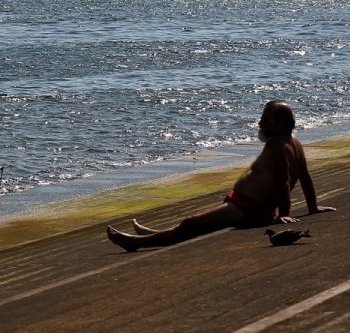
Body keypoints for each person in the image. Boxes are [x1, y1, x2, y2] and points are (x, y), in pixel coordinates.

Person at [107, 100, 336, 252]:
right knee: (194, 225)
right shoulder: (295, 143)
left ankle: (135, 243)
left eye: (265, 118)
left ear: (280, 123)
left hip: (246, 208)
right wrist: (313, 206)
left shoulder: (277, 145)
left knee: (191, 224)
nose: (260, 122)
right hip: (249, 206)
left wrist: (282, 216)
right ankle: (153, 235)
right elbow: (304, 177)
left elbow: (283, 182)